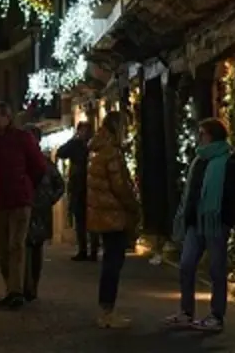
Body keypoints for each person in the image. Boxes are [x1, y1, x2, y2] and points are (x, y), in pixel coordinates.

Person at [164, 117, 235, 332]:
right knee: (186, 265)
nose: (199, 137)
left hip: (216, 223)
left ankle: (216, 315)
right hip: (196, 222)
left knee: (216, 270)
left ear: (213, 136)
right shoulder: (198, 161)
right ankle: (186, 312)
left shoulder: (227, 163)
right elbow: (191, 194)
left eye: (202, 134)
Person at [0, 101, 48, 311]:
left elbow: (38, 166)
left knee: (16, 245)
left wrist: (26, 184)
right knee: (3, 247)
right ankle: (11, 287)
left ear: (7, 118)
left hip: (19, 200)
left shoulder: (23, 138)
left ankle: (16, 291)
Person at [87, 111, 139, 329]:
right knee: (113, 263)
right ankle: (107, 311)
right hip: (113, 213)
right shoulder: (112, 154)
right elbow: (120, 187)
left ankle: (106, 309)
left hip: (103, 213)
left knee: (110, 261)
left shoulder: (99, 150)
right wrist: (133, 205)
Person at [23, 126, 65, 303]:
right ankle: (25, 286)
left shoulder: (46, 162)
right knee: (24, 248)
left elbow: (59, 185)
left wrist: (49, 199)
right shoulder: (19, 160)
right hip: (23, 209)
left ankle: (32, 286)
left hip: (40, 211)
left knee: (35, 249)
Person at [56, 120, 99, 261]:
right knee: (81, 220)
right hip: (79, 186)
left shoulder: (94, 145)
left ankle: (92, 250)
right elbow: (61, 152)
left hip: (91, 186)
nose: (85, 134)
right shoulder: (75, 145)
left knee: (91, 220)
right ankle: (84, 249)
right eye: (82, 131)